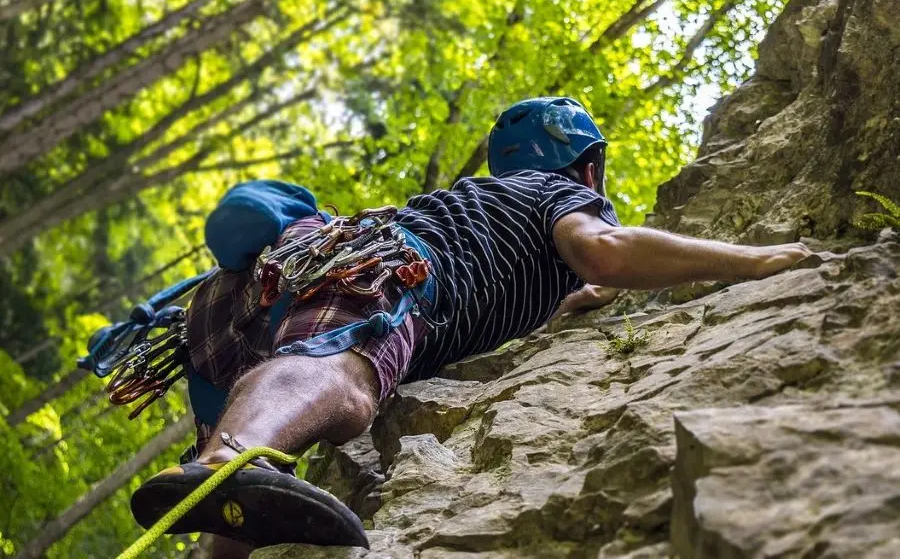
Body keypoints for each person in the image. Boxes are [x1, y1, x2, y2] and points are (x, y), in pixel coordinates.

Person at [130, 96, 811, 557]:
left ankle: (222, 501)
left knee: (253, 472)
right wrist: (757, 261)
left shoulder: (490, 212)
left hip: (235, 308)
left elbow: (565, 289)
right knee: (347, 375)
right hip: (382, 266)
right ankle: (226, 459)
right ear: (588, 166)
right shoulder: (558, 194)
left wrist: (575, 301)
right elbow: (605, 250)